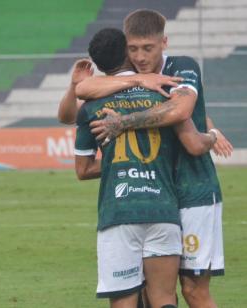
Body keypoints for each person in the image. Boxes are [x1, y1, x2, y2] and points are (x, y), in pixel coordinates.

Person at [76, 10, 229, 307]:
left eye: (148, 48)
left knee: (192, 289)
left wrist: (123, 122)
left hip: (193, 191)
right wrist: (138, 80)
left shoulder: (182, 67)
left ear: (164, 43)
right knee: (151, 289)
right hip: (160, 195)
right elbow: (84, 88)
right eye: (133, 49)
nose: (141, 56)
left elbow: (183, 114)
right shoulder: (137, 76)